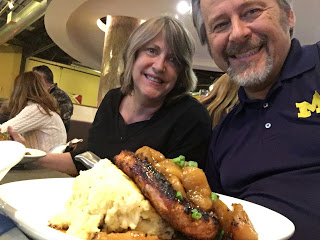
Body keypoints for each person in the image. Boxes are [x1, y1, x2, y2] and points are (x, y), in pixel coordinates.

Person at [12, 16, 211, 176]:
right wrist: (27, 154)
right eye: (152, 51)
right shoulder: (113, 99)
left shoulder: (191, 117)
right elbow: (88, 160)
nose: (159, 66)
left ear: (181, 72)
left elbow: (178, 196)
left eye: (173, 59)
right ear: (133, 55)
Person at [192, 0, 320, 239]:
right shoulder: (223, 134)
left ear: (288, 16)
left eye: (252, 11)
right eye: (220, 25)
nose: (238, 33)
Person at [0, 71, 67, 152]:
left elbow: (3, 131)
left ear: (17, 90)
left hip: (42, 162)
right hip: (47, 161)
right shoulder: (43, 108)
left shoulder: (38, 109)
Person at [33, 65, 73, 132]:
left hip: (53, 138)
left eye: (34, 79)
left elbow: (60, 123)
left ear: (41, 79)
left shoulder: (62, 98)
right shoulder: (37, 95)